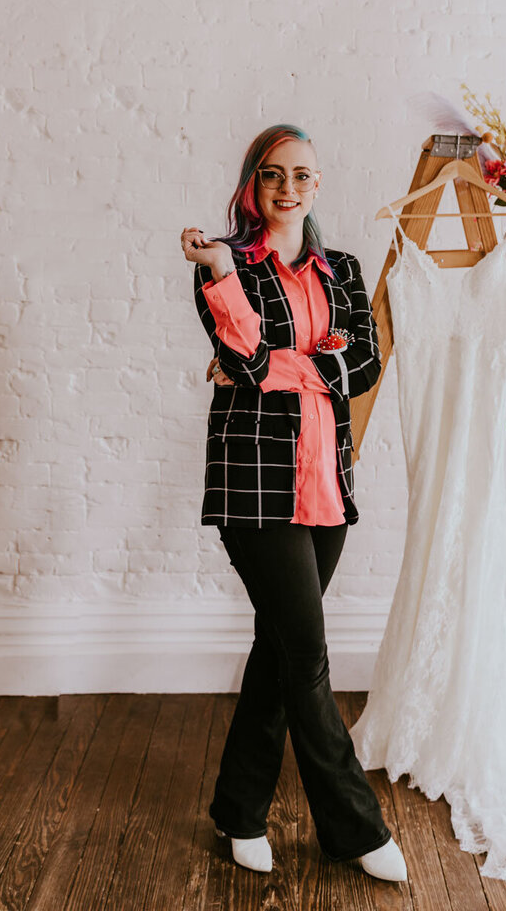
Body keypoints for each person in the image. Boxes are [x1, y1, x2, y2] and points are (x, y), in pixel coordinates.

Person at [180, 124, 407, 883]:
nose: (287, 189)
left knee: (279, 652)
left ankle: (240, 812)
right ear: (253, 183)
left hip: (326, 482)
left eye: (302, 176)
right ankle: (354, 828)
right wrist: (305, 361)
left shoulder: (342, 268)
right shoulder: (224, 262)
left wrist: (284, 367)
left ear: (317, 185)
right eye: (272, 175)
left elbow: (366, 364)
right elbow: (243, 358)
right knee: (307, 657)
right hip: (254, 487)